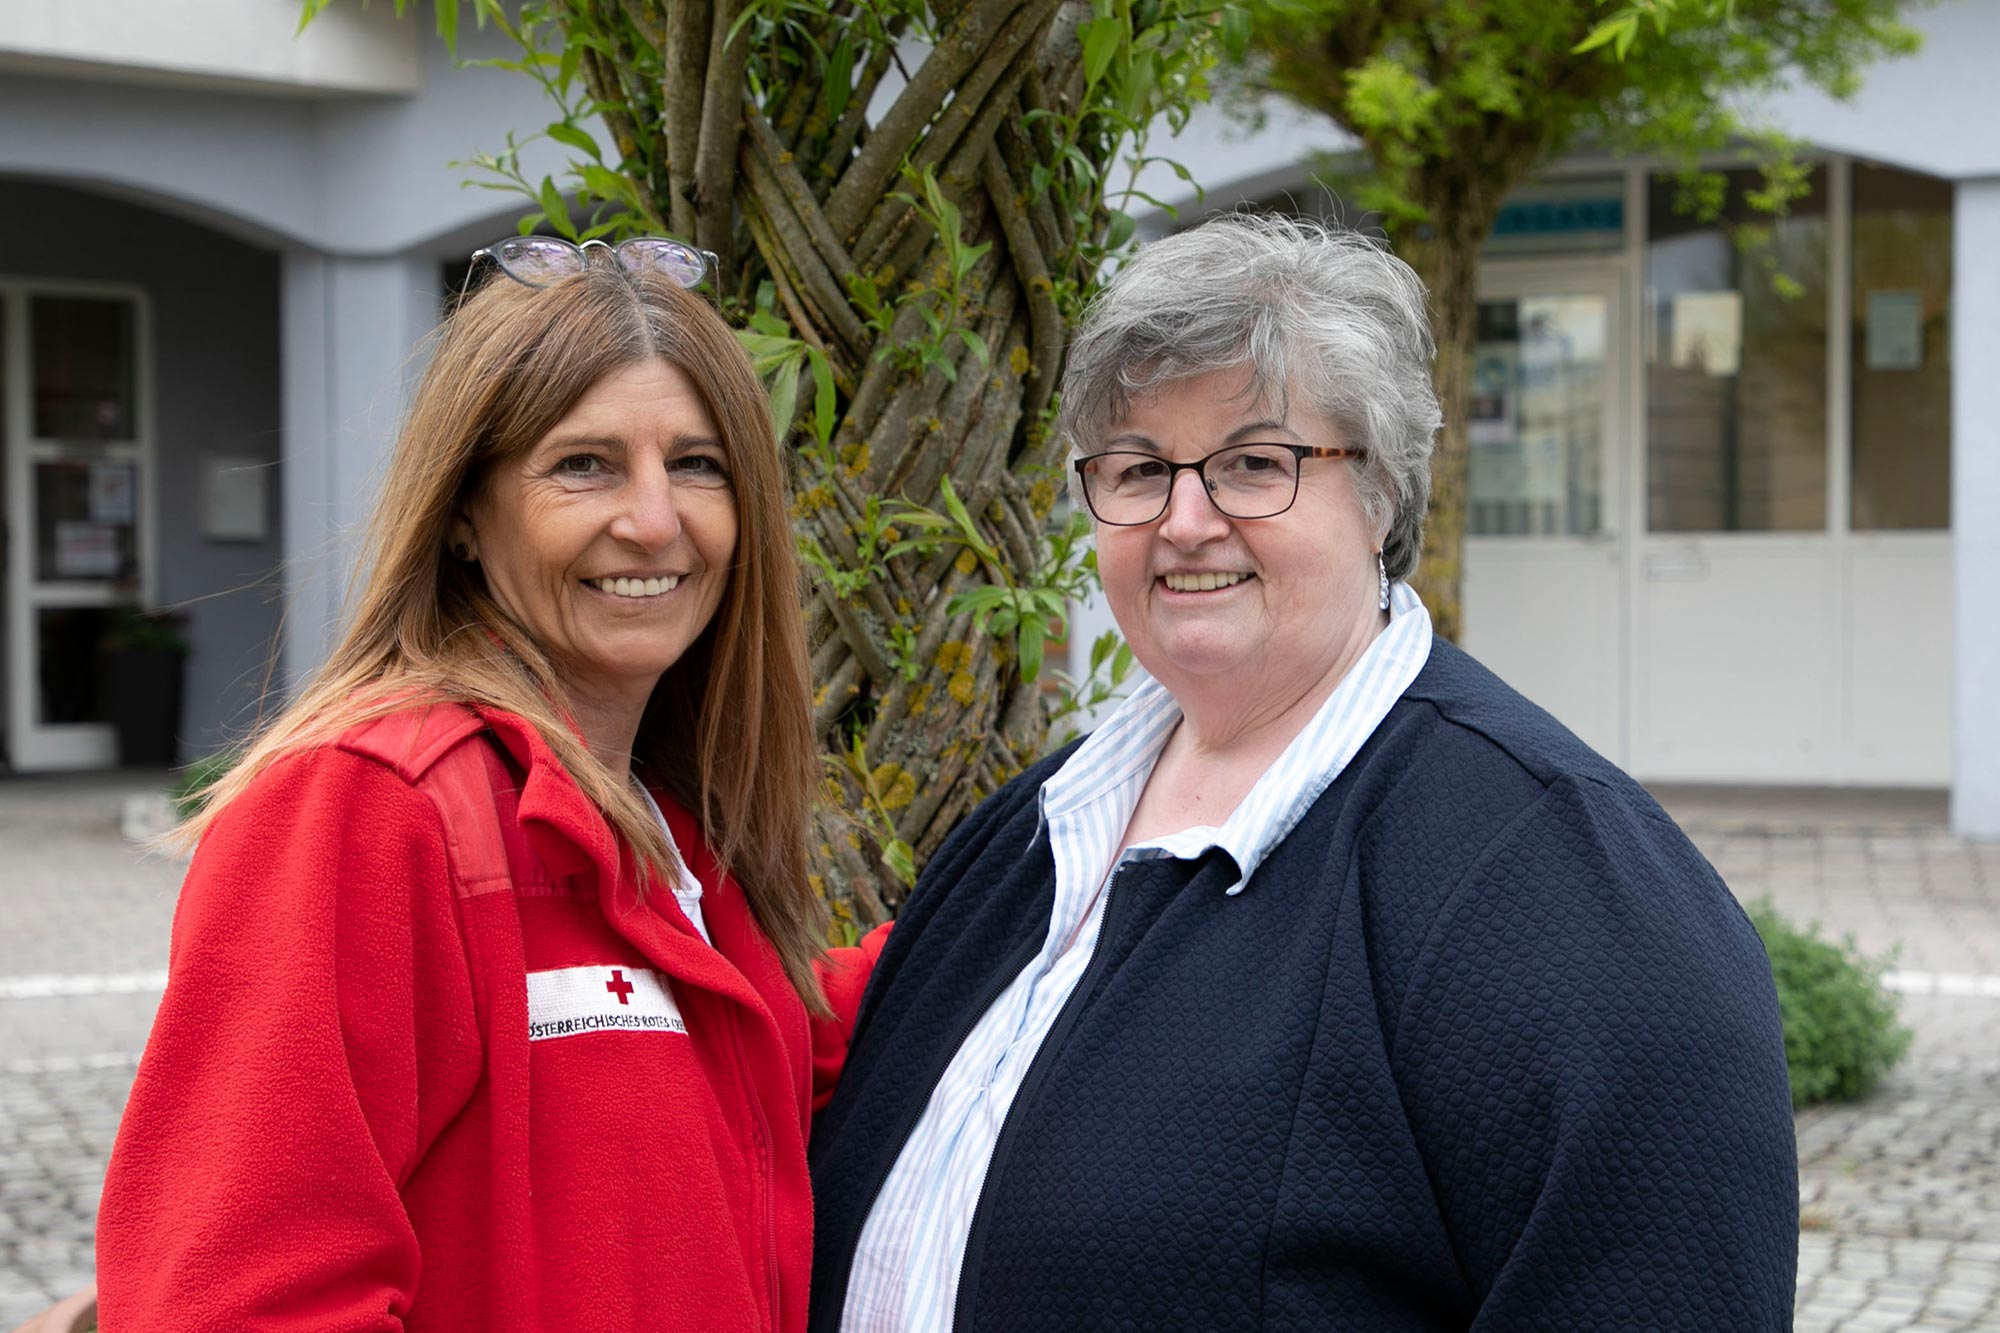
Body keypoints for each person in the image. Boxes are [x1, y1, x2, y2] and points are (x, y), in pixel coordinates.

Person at [807, 214, 1799, 1331]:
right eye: (1136, 469)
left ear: (1377, 490)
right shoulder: (1022, 839)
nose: (1185, 521)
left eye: (1251, 464)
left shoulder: (1560, 889)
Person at [97, 236, 837, 1331]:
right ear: (461, 514)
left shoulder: (678, 840)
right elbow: (235, 1300)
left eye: (697, 464)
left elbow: (799, 1058)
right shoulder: (368, 809)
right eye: (582, 464)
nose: (653, 519)